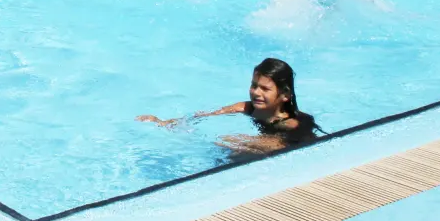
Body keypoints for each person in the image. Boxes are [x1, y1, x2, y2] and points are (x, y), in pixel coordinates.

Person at [136, 58, 319, 153]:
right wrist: (163, 122)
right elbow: (202, 117)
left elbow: (279, 146)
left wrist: (235, 141)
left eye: (264, 89)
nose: (256, 92)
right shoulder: (246, 108)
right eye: (254, 86)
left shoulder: (291, 123)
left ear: (285, 95)